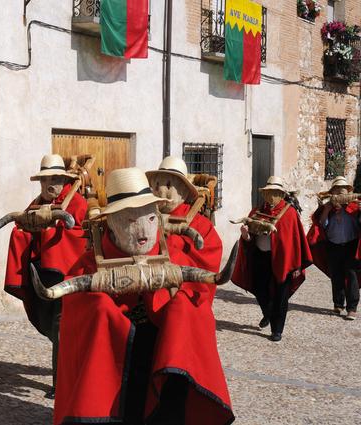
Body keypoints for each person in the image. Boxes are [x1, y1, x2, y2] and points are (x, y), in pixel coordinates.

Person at [53, 167, 234, 425]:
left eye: (150, 219)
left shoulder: (170, 251)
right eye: (129, 221)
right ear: (111, 221)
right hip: (117, 360)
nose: (143, 232)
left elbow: (196, 299)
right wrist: (104, 308)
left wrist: (178, 305)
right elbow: (78, 311)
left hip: (161, 349)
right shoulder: (88, 264)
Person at [2, 154, 87, 398]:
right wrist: (22, 231)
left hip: (68, 276)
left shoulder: (77, 204)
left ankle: (60, 385)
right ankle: (72, 370)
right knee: (50, 325)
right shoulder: (37, 204)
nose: (50, 184)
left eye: (55, 178)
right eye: (44, 179)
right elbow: (23, 229)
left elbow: (79, 237)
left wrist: (49, 232)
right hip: (42, 275)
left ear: (64, 179)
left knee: (61, 328)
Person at [232, 176, 312, 342]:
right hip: (261, 257)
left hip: (284, 261)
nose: (271, 196)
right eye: (268, 192)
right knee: (259, 288)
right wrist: (246, 237)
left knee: (281, 295)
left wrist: (297, 265)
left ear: (281, 194)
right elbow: (249, 240)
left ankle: (277, 330)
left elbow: (295, 241)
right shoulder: (256, 212)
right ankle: (268, 313)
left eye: (274, 193)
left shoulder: (289, 214)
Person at [307, 176, 360, 320]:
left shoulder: (355, 207)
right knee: (336, 275)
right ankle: (338, 304)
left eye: (342, 191)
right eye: (337, 191)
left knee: (352, 275)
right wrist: (326, 210)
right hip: (332, 246)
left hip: (351, 245)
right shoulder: (328, 208)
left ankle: (352, 308)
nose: (339, 194)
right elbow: (322, 225)